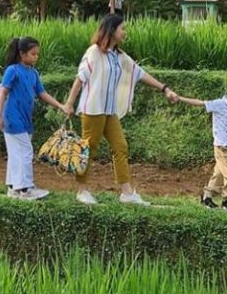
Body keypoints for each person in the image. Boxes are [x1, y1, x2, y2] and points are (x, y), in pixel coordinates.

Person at [63, 13, 179, 206]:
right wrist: (69, 103)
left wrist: (165, 89)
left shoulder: (119, 56)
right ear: (112, 30)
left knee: (120, 147)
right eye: (122, 28)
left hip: (109, 110)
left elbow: (139, 73)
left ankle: (127, 193)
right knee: (89, 148)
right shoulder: (94, 52)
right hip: (93, 109)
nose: (125, 32)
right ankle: (82, 191)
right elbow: (80, 78)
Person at [0, 36, 73, 200]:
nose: (36, 57)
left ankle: (13, 188)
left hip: (24, 118)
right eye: (33, 54)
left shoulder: (33, 73)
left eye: (37, 54)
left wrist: (60, 105)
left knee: (16, 153)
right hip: (12, 117)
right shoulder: (13, 71)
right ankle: (26, 189)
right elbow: (3, 92)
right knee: (25, 152)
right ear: (22, 54)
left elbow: (42, 93)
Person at [177, 80, 227, 211]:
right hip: (222, 146)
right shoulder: (220, 104)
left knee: (220, 174)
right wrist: (179, 98)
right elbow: (200, 103)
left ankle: (207, 197)